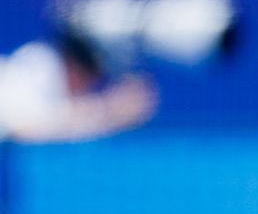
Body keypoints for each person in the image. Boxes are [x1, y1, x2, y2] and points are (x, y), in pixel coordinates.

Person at [0, 30, 157, 144]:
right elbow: (25, 127)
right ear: (76, 69)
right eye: (92, 80)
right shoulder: (37, 66)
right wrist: (107, 110)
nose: (88, 89)